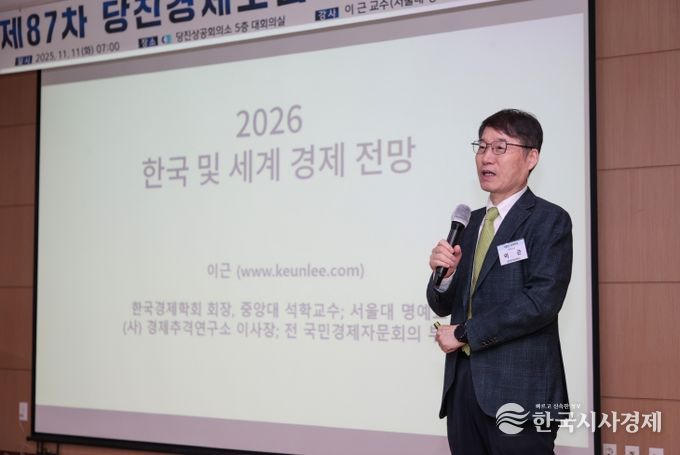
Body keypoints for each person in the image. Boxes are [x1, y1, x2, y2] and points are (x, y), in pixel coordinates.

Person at [427, 109, 572, 454]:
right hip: (464, 390)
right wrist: (445, 277)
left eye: (500, 147)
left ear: (531, 157)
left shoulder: (549, 220)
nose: (486, 157)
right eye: (482, 146)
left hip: (520, 393)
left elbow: (541, 301)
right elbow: (441, 304)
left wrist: (464, 333)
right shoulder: (469, 224)